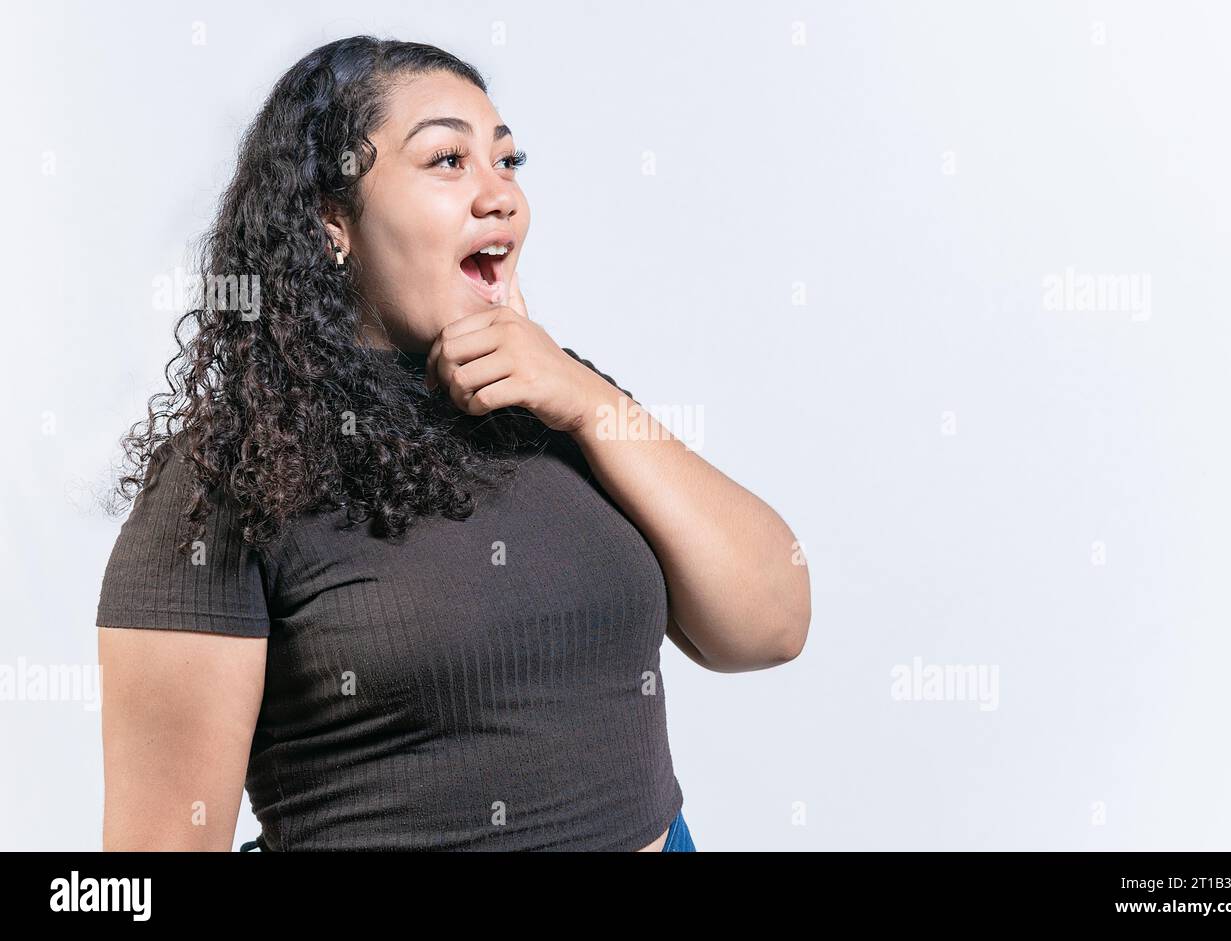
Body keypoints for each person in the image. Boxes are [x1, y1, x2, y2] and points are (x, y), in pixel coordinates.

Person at [96, 35, 810, 852]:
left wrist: (584, 397)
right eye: (447, 160)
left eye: (508, 161)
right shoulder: (232, 469)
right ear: (334, 220)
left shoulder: (558, 400)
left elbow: (771, 624)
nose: (500, 195)